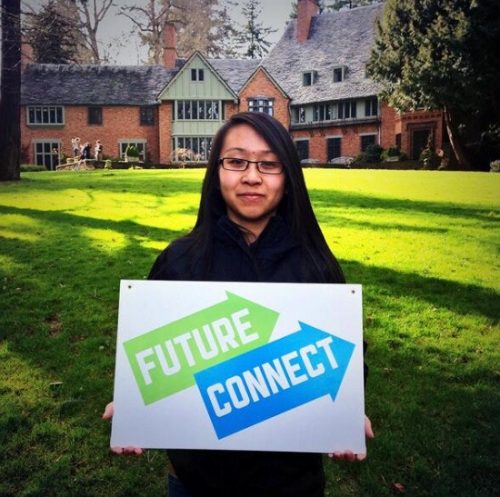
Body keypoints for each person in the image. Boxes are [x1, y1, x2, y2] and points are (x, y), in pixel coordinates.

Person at [103, 112, 374, 497]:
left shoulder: (316, 267)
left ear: (289, 176)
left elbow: (349, 355)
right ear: (216, 172)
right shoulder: (178, 261)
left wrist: (347, 409)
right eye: (236, 161)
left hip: (291, 484)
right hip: (196, 483)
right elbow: (149, 353)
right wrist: (134, 404)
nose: (251, 176)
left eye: (268, 163)